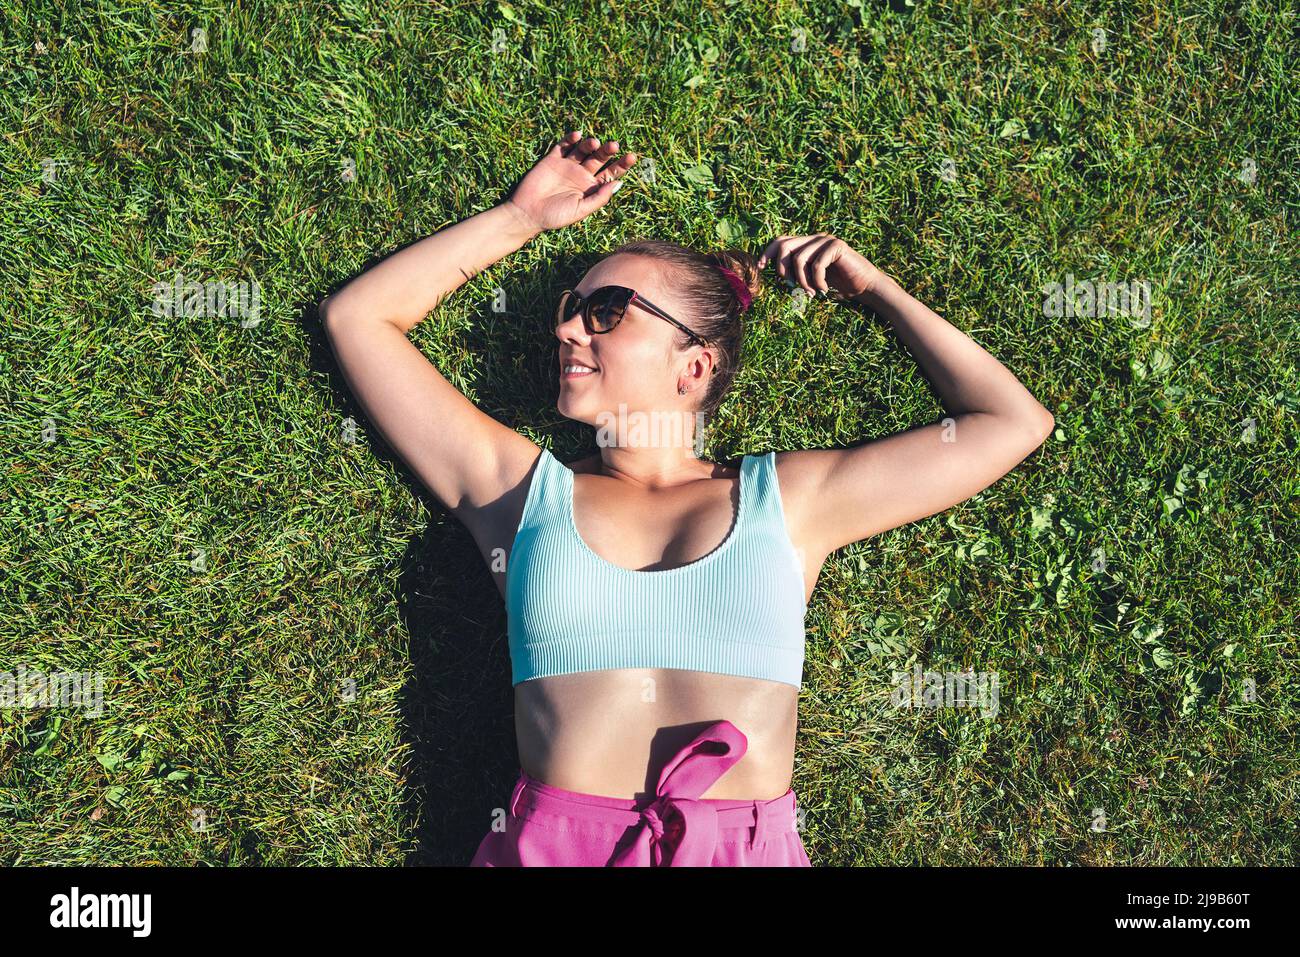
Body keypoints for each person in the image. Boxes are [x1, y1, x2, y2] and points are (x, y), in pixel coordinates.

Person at [319, 129, 1055, 866]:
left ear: (694, 364)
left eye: (606, 310)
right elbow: (359, 319)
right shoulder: (518, 492)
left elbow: (1011, 423)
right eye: (572, 307)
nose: (566, 326)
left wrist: (879, 292)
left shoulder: (789, 500)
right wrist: (520, 219)